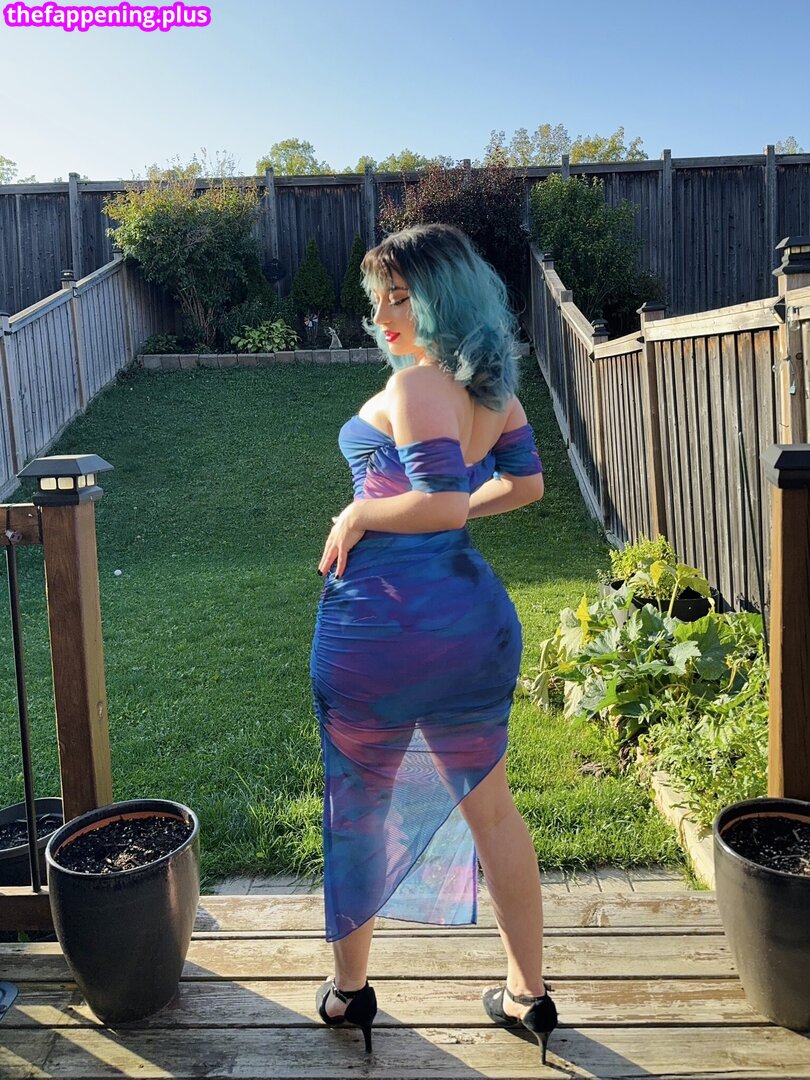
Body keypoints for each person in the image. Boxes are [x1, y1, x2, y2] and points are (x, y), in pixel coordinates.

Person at [310, 223, 557, 1062]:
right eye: (377, 298)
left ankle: (349, 994)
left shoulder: (417, 383)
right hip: (470, 627)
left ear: (444, 298)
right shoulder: (493, 395)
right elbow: (525, 485)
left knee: (359, 806)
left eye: (401, 297)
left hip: (382, 631)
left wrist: (361, 513)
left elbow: (442, 502)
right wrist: (444, 516)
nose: (382, 316)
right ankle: (528, 995)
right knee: (492, 807)